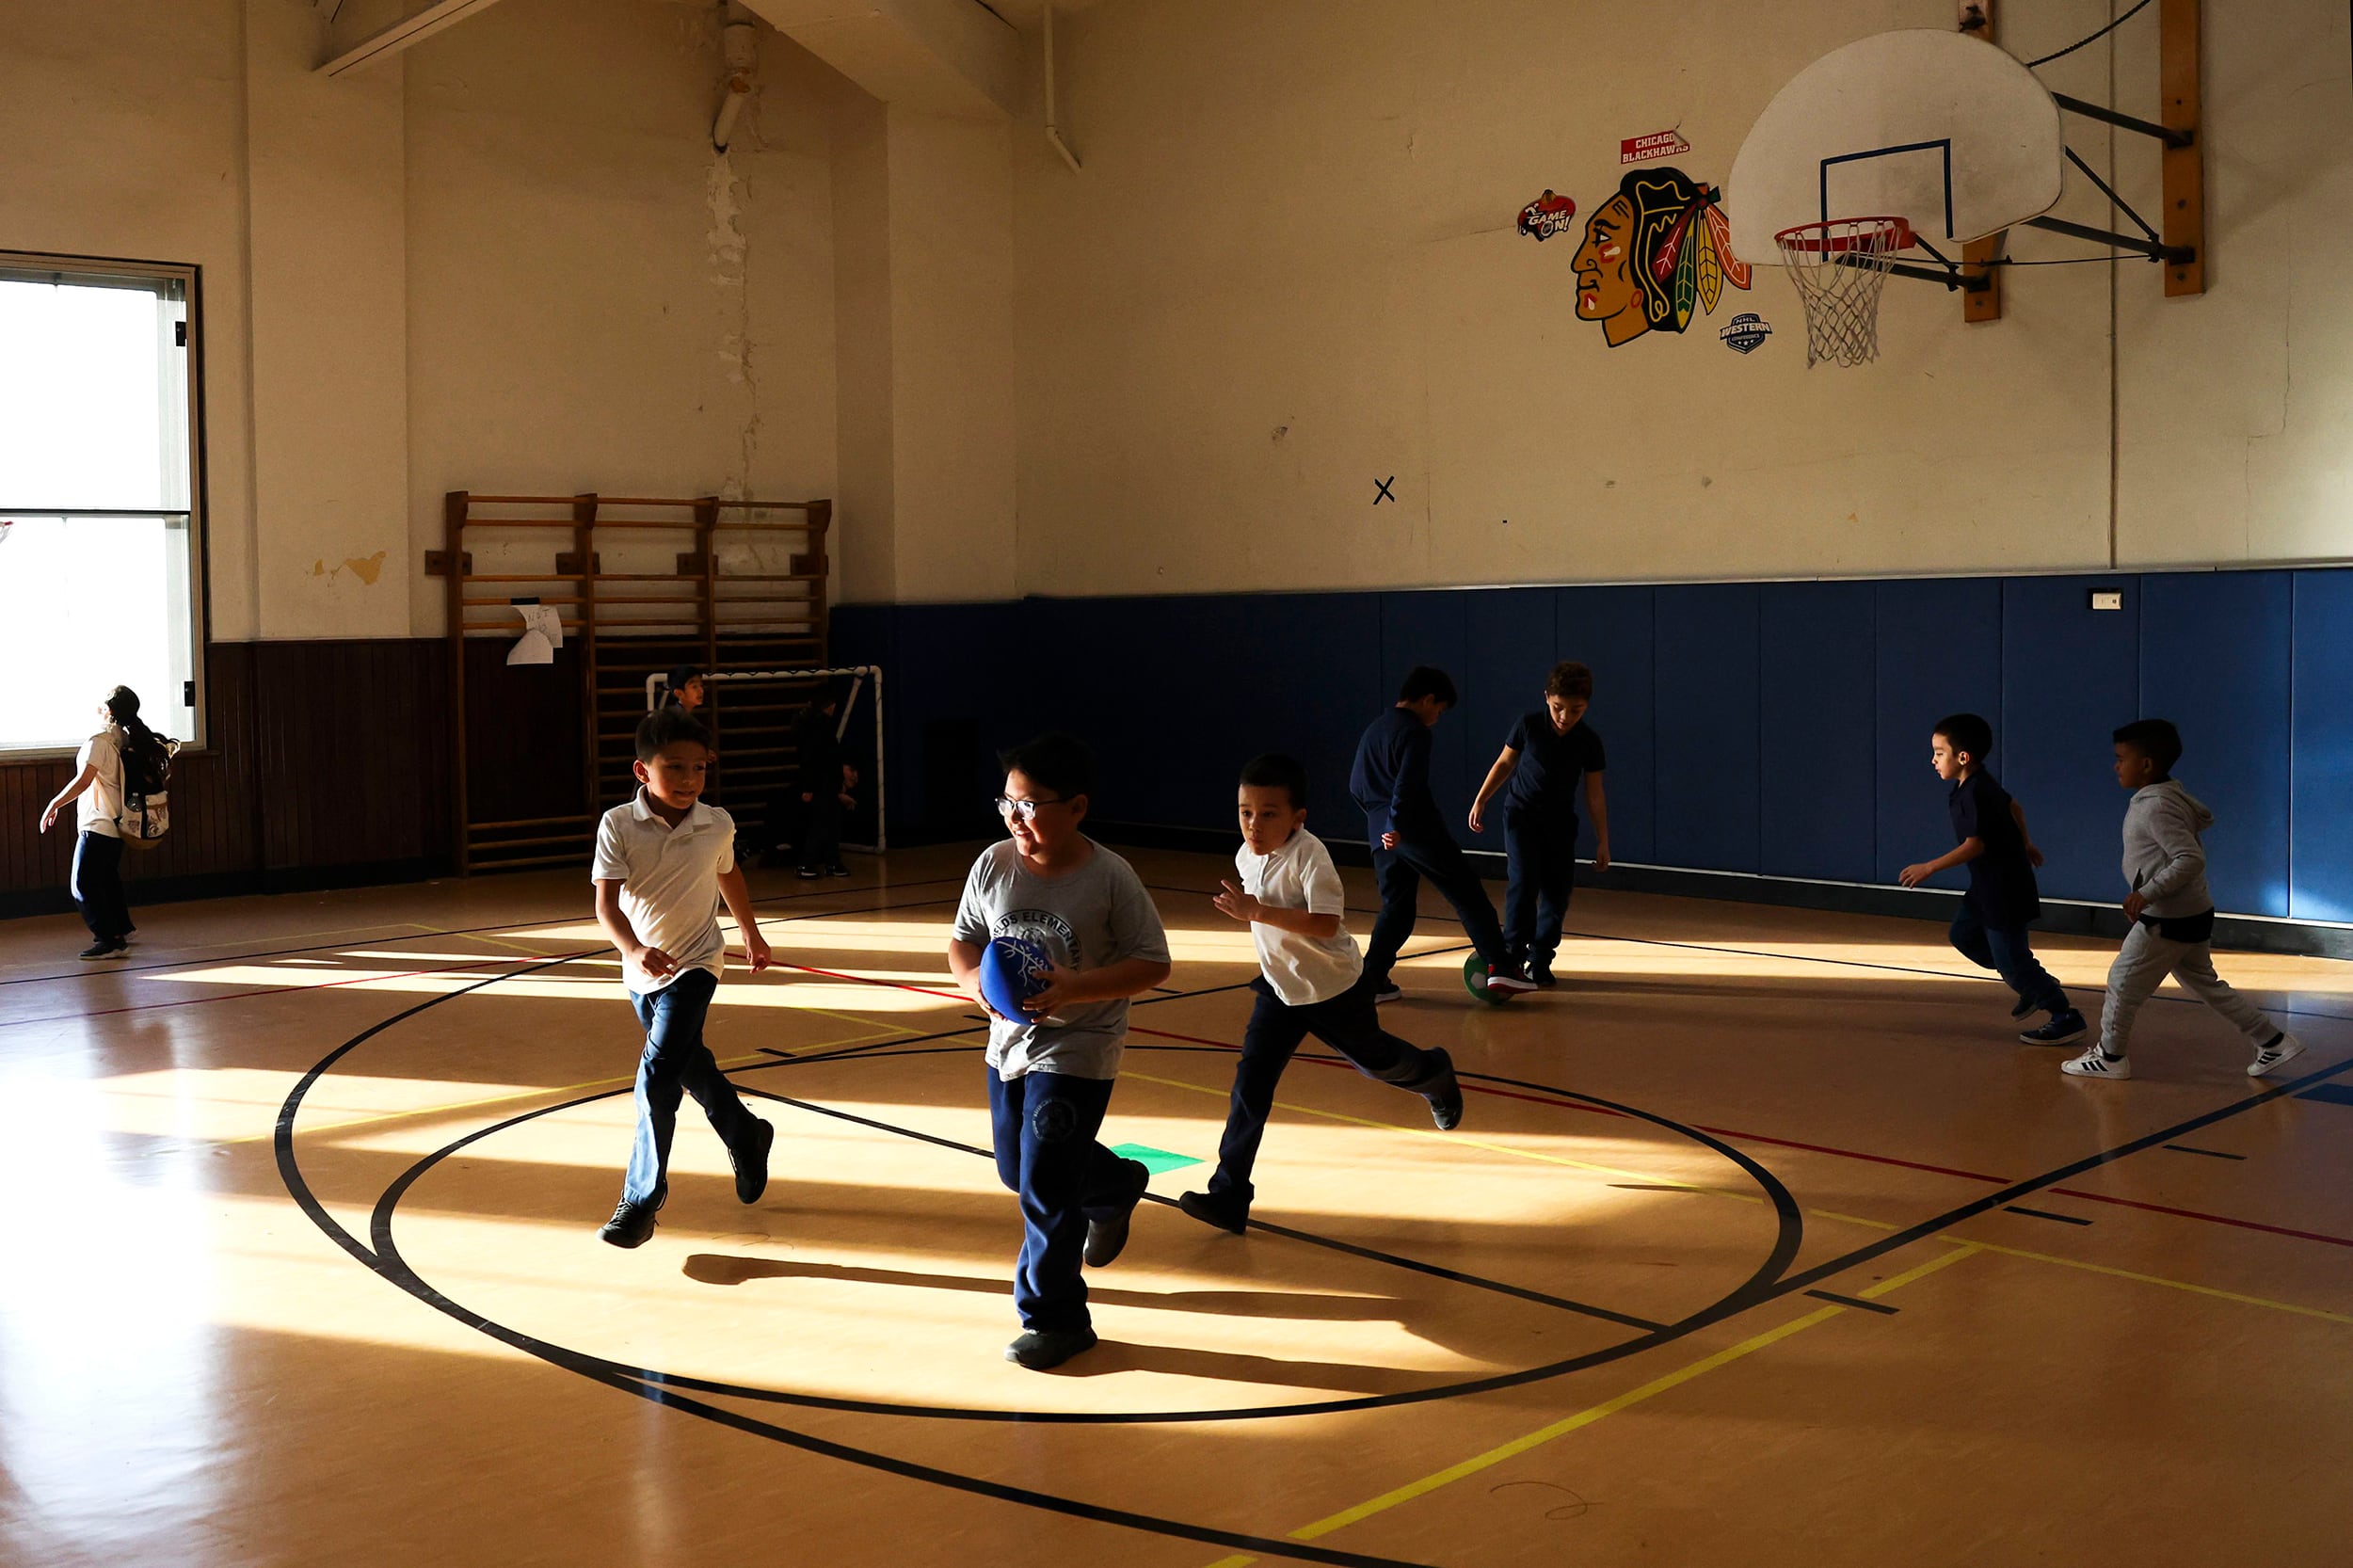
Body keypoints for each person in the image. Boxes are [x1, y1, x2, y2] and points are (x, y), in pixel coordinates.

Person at [947, 733, 1172, 1371]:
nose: (1017, 818)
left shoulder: (1108, 876)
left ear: (1076, 808)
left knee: (1044, 1180)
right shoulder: (993, 865)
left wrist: (1074, 988)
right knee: (1018, 1172)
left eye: (1031, 805)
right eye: (1008, 804)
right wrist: (971, 984)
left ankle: (1056, 1318)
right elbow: (964, 941)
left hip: (1080, 1047)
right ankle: (1116, 1185)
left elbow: (1152, 963)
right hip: (1007, 1045)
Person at [1177, 754, 1463, 1235]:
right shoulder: (1246, 856)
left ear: (1298, 818)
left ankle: (1433, 1073)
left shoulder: (1312, 857)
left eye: (1269, 814)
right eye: (1246, 811)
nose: (1254, 824)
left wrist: (1257, 912)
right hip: (1278, 992)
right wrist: (1257, 914)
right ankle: (1229, 1196)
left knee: (1377, 1063)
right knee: (1251, 1088)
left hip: (1334, 990)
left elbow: (1326, 923)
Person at [590, 707, 775, 1248]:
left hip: (697, 964)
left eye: (699, 769)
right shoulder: (619, 825)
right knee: (688, 1065)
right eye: (676, 768)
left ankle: (641, 1201)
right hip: (642, 969)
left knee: (656, 1076)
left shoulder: (715, 823)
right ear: (643, 772)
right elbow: (605, 904)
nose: (690, 780)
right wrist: (633, 949)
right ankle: (746, 1132)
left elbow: (727, 871)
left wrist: (750, 932)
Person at [2062, 719, 2304, 1081]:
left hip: (2168, 917)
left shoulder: (2155, 806)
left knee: (2122, 981)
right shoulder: (2166, 797)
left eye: (2121, 758)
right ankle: (2272, 1041)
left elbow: (2189, 858)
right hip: (2191, 910)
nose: (2116, 765)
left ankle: (2110, 1056)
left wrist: (2147, 893)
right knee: (2204, 983)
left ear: (2145, 764)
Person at [1899, 713, 2088, 1046]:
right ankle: (2030, 983)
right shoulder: (1973, 785)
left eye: (1939, 753)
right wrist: (2026, 842)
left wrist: (1929, 867)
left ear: (1963, 757)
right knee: (1963, 935)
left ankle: (2064, 1016)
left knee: (2013, 963)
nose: (1932, 760)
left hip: (2005, 892)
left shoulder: (1978, 791)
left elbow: (1975, 844)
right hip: (1985, 888)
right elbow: (2014, 806)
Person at [1350, 665, 1534, 1000]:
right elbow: (1409, 784)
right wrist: (1396, 824)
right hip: (1414, 830)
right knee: (1466, 892)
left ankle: (1371, 980)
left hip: (1381, 836)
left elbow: (1356, 786)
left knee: (1398, 908)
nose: (1436, 717)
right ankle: (1501, 968)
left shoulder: (1375, 729)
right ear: (1428, 699)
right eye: (1438, 710)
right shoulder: (1416, 731)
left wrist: (1381, 827)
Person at [1469, 661, 1610, 986]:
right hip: (1521, 816)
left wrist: (1603, 840)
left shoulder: (1589, 741)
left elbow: (1595, 794)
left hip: (1560, 823)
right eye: (1559, 708)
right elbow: (1505, 762)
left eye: (1575, 710)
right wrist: (1482, 798)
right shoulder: (1529, 725)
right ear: (1547, 697)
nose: (1565, 717)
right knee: (1523, 883)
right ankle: (1512, 957)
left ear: (1586, 705)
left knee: (1556, 893)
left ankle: (1541, 959)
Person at [37, 685, 167, 960]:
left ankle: (110, 940)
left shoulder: (98, 742)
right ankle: (122, 928)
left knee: (81, 884)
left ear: (108, 710)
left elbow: (83, 781)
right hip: (119, 824)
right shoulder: (126, 739)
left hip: (98, 824)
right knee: (107, 879)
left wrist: (54, 804)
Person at [789, 680, 852, 880]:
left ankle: (833, 862)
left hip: (827, 784)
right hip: (821, 785)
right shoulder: (816, 728)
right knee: (821, 825)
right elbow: (811, 760)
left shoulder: (820, 725)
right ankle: (806, 863)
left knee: (831, 825)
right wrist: (808, 787)